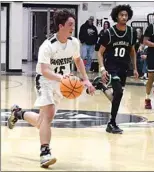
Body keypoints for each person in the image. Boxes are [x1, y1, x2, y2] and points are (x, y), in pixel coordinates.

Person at [7, 10, 95, 168]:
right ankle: (45, 153)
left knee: (43, 121)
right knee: (47, 117)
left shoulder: (74, 42)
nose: (72, 28)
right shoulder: (47, 46)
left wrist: (86, 79)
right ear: (61, 26)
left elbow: (78, 60)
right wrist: (63, 78)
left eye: (73, 25)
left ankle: (18, 113)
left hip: (61, 84)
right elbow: (45, 70)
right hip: (45, 81)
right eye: (70, 25)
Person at [88, 5, 138, 134]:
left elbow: (132, 51)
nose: (124, 17)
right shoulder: (109, 33)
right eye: (121, 15)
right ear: (116, 16)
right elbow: (100, 52)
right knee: (119, 93)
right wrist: (103, 69)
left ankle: (102, 86)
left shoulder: (132, 32)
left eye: (126, 15)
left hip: (124, 67)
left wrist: (136, 68)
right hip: (111, 66)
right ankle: (112, 123)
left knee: (116, 97)